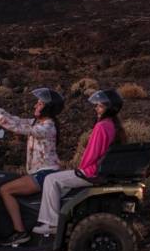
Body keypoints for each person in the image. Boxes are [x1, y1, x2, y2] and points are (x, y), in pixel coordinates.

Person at [33, 89, 126, 240]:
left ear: (109, 108)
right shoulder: (113, 125)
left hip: (91, 172)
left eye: (100, 106)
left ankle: (51, 223)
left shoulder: (101, 126)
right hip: (100, 171)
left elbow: (92, 153)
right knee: (60, 181)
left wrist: (80, 169)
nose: (96, 108)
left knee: (51, 179)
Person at [0, 87, 64, 246]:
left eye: (40, 104)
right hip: (40, 173)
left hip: (45, 174)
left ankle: (20, 232)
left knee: (5, 190)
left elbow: (19, 128)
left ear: (48, 107)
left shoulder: (47, 127)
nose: (36, 106)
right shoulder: (38, 122)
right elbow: (16, 120)